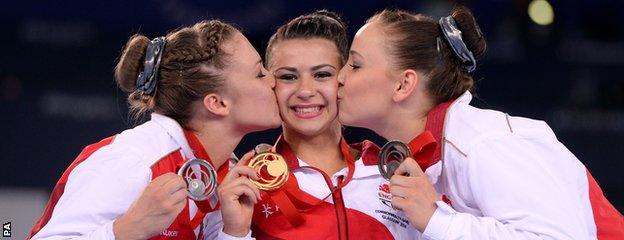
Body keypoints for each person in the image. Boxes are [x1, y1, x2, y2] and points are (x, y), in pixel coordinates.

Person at [337, 6, 624, 239]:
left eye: (355, 65)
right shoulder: (431, 157)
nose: (339, 77)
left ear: (403, 84)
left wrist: (438, 221)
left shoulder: (483, 142)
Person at [28, 19, 281, 240]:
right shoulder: (133, 161)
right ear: (217, 103)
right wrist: (127, 230)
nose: (274, 80)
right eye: (259, 73)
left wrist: (233, 232)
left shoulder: (223, 173)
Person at [217, 10, 421, 240]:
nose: (305, 91)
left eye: (322, 74)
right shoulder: (246, 185)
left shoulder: (395, 172)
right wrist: (233, 234)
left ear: (344, 79)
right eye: (288, 77)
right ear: (270, 85)